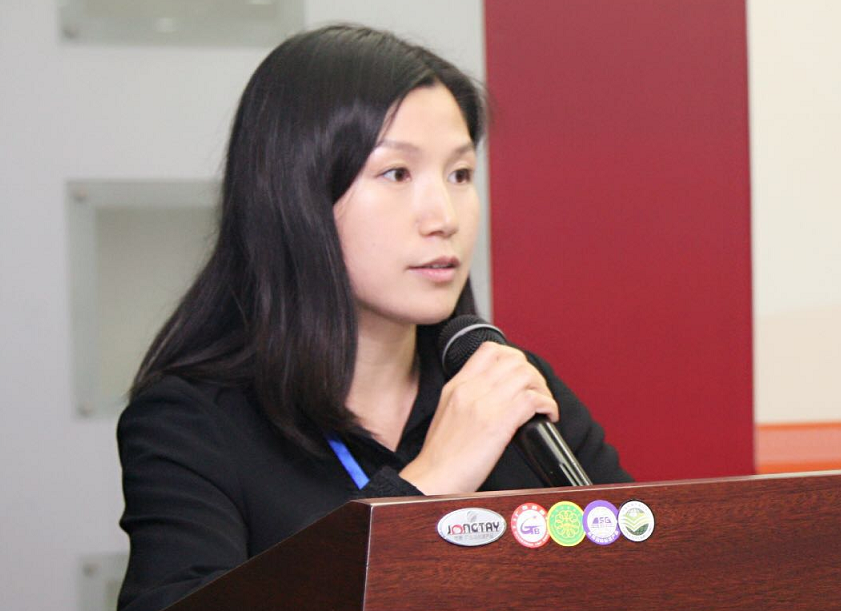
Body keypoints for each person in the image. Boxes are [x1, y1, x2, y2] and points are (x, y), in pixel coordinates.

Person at [116, 24, 631, 611]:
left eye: (460, 174)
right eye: (397, 174)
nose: (443, 216)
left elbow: (651, 574)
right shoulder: (192, 422)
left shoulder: (503, 390)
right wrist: (427, 486)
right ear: (295, 195)